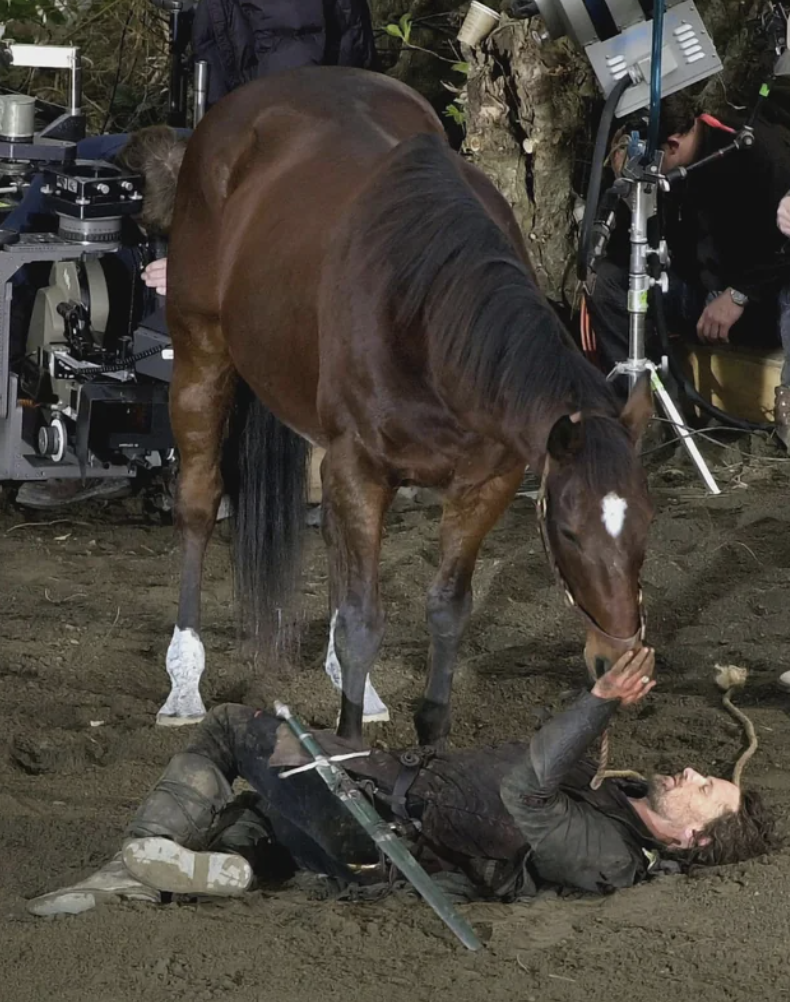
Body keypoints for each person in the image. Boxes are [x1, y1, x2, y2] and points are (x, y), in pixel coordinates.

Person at [26, 649, 774, 917]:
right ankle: (238, 868)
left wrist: (596, 706)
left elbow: (522, 796)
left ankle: (138, 856)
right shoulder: (615, 811)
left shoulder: (608, 857)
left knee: (230, 728)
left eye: (706, 789)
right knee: (259, 809)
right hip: (377, 814)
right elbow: (553, 769)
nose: (693, 773)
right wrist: (597, 707)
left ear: (689, 836)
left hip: (381, 823)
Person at [12, 0, 377, 509]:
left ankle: (206, 461)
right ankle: (94, 438)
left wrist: (212, 259)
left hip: (291, 166)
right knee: (83, 184)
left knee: (133, 198)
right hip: (235, 144)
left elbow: (295, 126)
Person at [588, 87, 790, 442]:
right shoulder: (665, 168)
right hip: (696, 296)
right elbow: (633, 249)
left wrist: (740, 295)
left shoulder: (751, 148)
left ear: (672, 144)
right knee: (607, 282)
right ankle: (655, 414)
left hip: (762, 304)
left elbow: (783, 246)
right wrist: (628, 194)